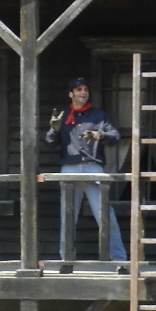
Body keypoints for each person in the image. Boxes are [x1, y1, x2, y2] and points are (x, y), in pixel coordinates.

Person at [45, 77, 127, 271]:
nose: (83, 92)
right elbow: (49, 142)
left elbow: (115, 137)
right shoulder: (63, 115)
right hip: (69, 169)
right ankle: (67, 261)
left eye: (85, 90)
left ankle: (120, 262)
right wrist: (53, 129)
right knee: (68, 218)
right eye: (79, 89)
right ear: (70, 94)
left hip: (92, 168)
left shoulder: (98, 115)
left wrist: (101, 135)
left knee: (106, 217)